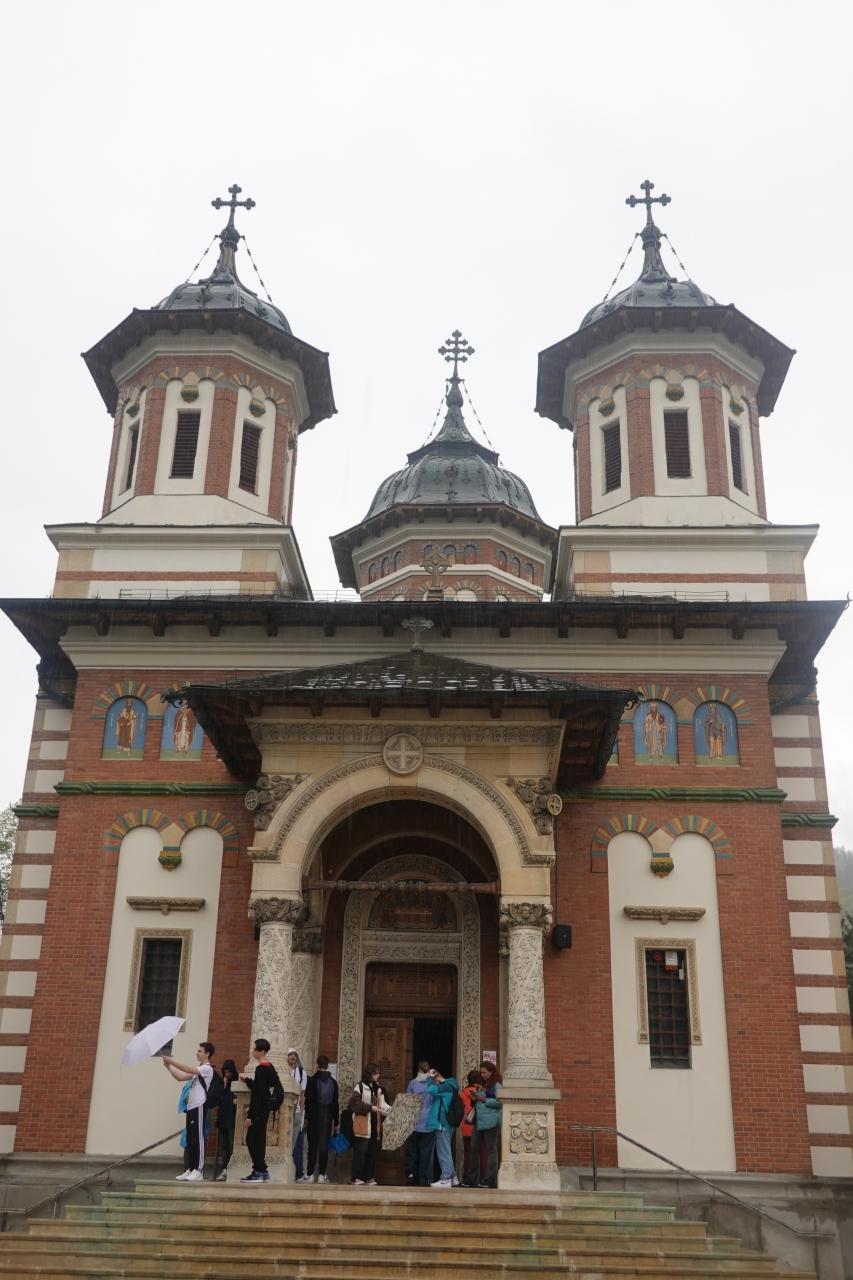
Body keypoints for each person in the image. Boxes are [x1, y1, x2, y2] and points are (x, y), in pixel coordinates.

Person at [162, 1042, 215, 1182]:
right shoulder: (197, 1072)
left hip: (200, 1106)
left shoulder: (207, 1069)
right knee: (191, 1139)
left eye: (200, 1051)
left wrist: (171, 1060)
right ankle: (190, 1169)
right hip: (191, 1107)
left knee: (198, 1138)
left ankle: (199, 1170)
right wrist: (168, 1066)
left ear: (207, 1054)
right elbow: (180, 1077)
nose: (197, 1053)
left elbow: (188, 1068)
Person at [239, 1037, 281, 1183]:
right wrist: (247, 1081)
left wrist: (250, 1116)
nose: (253, 1051)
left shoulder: (261, 1069)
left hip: (259, 1110)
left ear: (262, 1051)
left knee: (252, 1140)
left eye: (255, 1048)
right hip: (266, 1109)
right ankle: (261, 1171)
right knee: (259, 1139)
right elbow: (261, 1088)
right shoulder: (270, 1067)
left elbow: (258, 1094)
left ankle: (259, 1171)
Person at [350, 1062, 389, 1186]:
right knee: (360, 1151)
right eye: (376, 1073)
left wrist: (390, 1110)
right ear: (370, 1074)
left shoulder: (378, 1089)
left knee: (372, 1152)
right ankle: (356, 1177)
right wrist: (370, 1108)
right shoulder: (360, 1087)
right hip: (363, 1124)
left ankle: (368, 1177)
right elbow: (355, 1105)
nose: (378, 1075)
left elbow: (382, 1104)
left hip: (375, 1124)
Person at [465, 1061, 502, 1189]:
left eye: (485, 1072)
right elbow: (478, 1101)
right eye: (481, 1073)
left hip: (491, 1121)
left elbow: (500, 1103)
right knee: (474, 1148)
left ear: (491, 1072)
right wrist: (474, 1098)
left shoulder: (497, 1085)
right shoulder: (482, 1084)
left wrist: (483, 1099)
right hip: (479, 1121)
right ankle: (472, 1179)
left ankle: (490, 1179)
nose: (482, 1075)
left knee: (491, 1149)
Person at [304, 1054, 339, 1184]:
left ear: (317, 1065)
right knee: (324, 1147)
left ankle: (310, 1174)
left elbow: (308, 1101)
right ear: (327, 1065)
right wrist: (336, 1121)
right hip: (327, 1117)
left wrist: (307, 1117)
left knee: (312, 1146)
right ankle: (322, 1175)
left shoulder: (312, 1080)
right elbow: (335, 1103)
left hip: (314, 1116)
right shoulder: (333, 1082)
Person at [424, 1067, 460, 1188]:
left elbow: (430, 1089)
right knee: (447, 1151)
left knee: (443, 1152)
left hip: (442, 1124)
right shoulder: (451, 1085)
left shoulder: (444, 1087)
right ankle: (453, 1177)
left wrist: (429, 1079)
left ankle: (445, 1179)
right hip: (447, 1124)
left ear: (437, 1078)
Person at [404, 1059, 435, 1186]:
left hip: (413, 1123)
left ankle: (411, 1174)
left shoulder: (413, 1083)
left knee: (412, 1151)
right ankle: (424, 1178)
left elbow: (407, 1101)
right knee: (425, 1153)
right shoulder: (432, 1084)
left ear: (419, 1070)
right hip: (428, 1124)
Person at [459, 1068, 486, 1187]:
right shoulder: (481, 1093)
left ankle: (468, 1179)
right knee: (482, 1153)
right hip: (479, 1126)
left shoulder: (462, 1093)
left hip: (466, 1126)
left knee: (468, 1155)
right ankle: (482, 1179)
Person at [215, 1058, 238, 1181]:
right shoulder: (223, 1083)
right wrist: (223, 1087)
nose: (227, 1074)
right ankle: (224, 1169)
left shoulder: (237, 1083)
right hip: (223, 1118)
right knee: (224, 1146)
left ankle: (232, 1169)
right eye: (225, 1072)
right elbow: (218, 1100)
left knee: (231, 1144)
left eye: (229, 1072)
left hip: (232, 1119)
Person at [287, 1048, 309, 1181]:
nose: (292, 1056)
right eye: (289, 1054)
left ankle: (298, 1172)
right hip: (284, 1109)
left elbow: (302, 1094)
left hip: (297, 1110)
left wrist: (301, 1111)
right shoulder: (283, 1071)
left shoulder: (302, 1073)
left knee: (297, 1141)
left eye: (294, 1054)